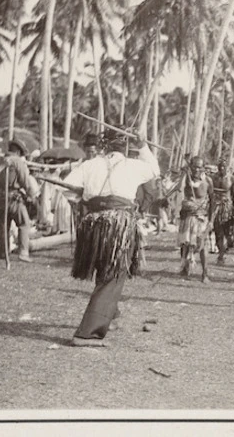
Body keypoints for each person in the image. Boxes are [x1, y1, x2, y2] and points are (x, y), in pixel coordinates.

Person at [63, 129, 160, 347]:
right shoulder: (133, 165)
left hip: (93, 224)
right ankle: (86, 334)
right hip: (118, 224)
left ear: (104, 146)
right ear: (125, 147)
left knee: (104, 268)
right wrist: (143, 146)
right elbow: (155, 170)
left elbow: (68, 191)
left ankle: (111, 314)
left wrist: (86, 202)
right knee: (114, 273)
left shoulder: (89, 165)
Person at [0, 139, 37, 263]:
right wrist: (31, 195)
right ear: (19, 151)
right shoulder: (17, 162)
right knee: (24, 223)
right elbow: (25, 181)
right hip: (14, 197)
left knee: (4, 225)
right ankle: (23, 252)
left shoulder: (0, 160)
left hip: (0, 196)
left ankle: (3, 251)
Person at [178, 156, 214, 282]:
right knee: (185, 243)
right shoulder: (186, 179)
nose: (196, 169)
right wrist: (183, 174)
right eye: (194, 166)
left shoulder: (208, 181)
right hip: (187, 217)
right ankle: (185, 268)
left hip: (201, 218)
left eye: (199, 167)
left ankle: (205, 273)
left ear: (203, 168)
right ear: (190, 166)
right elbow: (178, 188)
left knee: (201, 246)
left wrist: (211, 221)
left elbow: (212, 201)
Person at [212, 158, 234, 265]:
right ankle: (221, 255)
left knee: (228, 232)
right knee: (218, 232)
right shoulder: (213, 178)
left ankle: (225, 249)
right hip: (216, 207)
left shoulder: (231, 179)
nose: (221, 168)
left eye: (224, 166)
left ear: (227, 167)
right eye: (220, 166)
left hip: (227, 207)